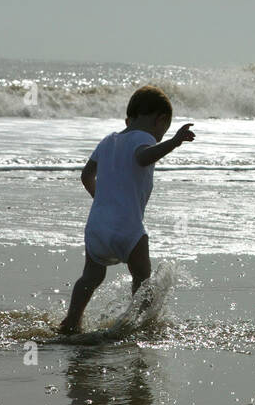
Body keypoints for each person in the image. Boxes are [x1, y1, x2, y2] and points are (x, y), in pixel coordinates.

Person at [58, 85, 194, 334]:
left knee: (91, 277)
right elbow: (143, 157)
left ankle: (71, 321)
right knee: (142, 276)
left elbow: (86, 174)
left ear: (128, 118)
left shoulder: (109, 140)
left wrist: (102, 200)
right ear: (160, 120)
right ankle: (135, 323)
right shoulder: (145, 138)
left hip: (98, 226)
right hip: (127, 227)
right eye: (163, 130)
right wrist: (174, 142)